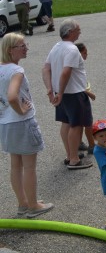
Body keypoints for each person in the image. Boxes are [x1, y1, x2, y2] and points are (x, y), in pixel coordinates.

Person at [0, 33, 53, 218]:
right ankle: (33, 205)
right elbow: (12, 96)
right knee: (29, 167)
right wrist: (21, 110)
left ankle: (23, 203)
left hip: (6, 124)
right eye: (22, 46)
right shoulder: (16, 71)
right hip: (21, 123)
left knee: (15, 165)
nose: (26, 48)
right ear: (10, 50)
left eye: (25, 45)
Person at [42, 19, 93, 169]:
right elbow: (66, 72)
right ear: (70, 32)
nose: (80, 32)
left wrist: (50, 89)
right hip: (74, 93)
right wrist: (61, 92)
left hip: (62, 93)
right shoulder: (72, 49)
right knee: (76, 125)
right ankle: (74, 160)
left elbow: (46, 68)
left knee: (66, 123)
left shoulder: (56, 47)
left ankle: (70, 155)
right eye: (78, 30)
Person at [75, 43, 97, 163]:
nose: (86, 55)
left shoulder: (72, 65)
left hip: (75, 96)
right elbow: (77, 85)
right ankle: (92, 145)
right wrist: (90, 93)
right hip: (80, 96)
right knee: (88, 122)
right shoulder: (76, 67)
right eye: (84, 53)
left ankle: (79, 143)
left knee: (78, 123)